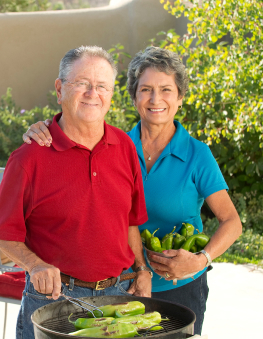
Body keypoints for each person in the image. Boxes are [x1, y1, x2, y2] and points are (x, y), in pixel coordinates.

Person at [22, 46, 243, 335]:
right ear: (133, 96)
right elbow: (70, 134)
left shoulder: (196, 154)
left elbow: (232, 222)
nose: (155, 99)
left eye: (166, 90)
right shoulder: (112, 146)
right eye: (145, 89)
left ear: (180, 98)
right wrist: (42, 130)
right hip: (123, 288)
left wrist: (200, 260)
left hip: (180, 287)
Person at [0, 46, 153, 339]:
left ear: (111, 94)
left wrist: (142, 269)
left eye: (102, 86)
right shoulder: (29, 158)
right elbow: (0, 231)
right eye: (82, 84)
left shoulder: (125, 146)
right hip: (55, 298)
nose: (93, 93)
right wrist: (35, 265)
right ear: (60, 89)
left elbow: (130, 220)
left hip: (119, 296)